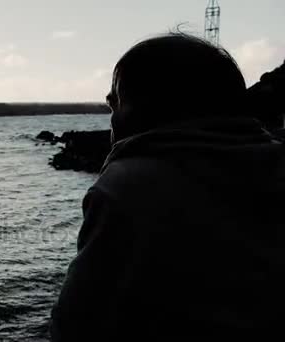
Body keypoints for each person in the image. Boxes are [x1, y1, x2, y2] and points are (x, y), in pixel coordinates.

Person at [51, 33, 285, 340]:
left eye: (115, 102)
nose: (113, 119)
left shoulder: (126, 186)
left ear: (149, 107)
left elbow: (77, 321)